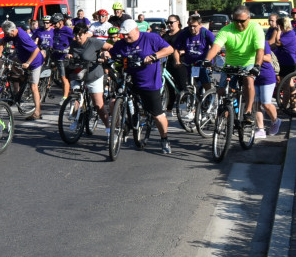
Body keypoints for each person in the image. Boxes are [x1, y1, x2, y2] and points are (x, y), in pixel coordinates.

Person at [109, 19, 175, 154]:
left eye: (128, 34)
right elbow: (112, 53)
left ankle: (164, 139)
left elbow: (169, 49)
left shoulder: (150, 38)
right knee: (113, 103)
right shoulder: (122, 43)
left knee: (157, 115)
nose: (125, 37)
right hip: (129, 80)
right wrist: (106, 55)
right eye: (123, 34)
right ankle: (123, 127)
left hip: (148, 82)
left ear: (136, 30)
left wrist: (154, 56)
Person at [201, 5, 265, 125]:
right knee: (222, 90)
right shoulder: (226, 29)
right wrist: (207, 60)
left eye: (242, 21)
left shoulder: (255, 28)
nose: (239, 24)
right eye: (236, 21)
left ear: (249, 18)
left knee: (249, 80)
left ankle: (248, 111)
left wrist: (257, 66)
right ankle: (225, 117)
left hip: (248, 62)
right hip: (230, 63)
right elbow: (216, 47)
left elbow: (260, 50)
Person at [0, 20, 44, 120]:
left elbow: (36, 49)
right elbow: (3, 41)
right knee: (11, 64)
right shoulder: (12, 33)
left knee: (33, 86)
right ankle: (18, 87)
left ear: (12, 31)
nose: (6, 34)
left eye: (7, 33)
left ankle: (37, 112)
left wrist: (28, 63)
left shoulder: (22, 36)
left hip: (34, 61)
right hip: (22, 57)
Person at [66, 24, 111, 129]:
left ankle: (109, 128)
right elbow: (72, 53)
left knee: (98, 105)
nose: (77, 37)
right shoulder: (73, 43)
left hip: (93, 75)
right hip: (78, 75)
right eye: (75, 35)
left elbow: (109, 47)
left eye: (80, 35)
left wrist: (105, 54)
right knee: (74, 96)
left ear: (86, 34)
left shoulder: (93, 42)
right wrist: (70, 56)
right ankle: (76, 119)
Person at [173, 14, 215, 92]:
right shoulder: (184, 34)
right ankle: (193, 100)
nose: (192, 28)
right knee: (191, 84)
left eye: (194, 26)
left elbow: (215, 47)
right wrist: (177, 61)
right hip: (190, 64)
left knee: (205, 82)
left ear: (200, 25)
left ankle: (209, 98)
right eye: (190, 26)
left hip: (203, 63)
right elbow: (176, 49)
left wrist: (209, 61)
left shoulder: (206, 33)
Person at [254, 40, 281, 138]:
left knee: (266, 103)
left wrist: (252, 56)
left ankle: (275, 121)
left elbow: (268, 58)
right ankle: (260, 129)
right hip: (253, 76)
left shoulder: (262, 42)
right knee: (256, 103)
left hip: (266, 76)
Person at [48, 14, 74, 98]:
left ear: (61, 22)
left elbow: (75, 40)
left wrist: (70, 51)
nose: (54, 25)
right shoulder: (55, 30)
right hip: (55, 55)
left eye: (55, 23)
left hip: (63, 57)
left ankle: (65, 97)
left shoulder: (67, 30)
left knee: (63, 77)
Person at [270, 14, 296, 79]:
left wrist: (278, 31)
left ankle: (287, 90)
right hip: (282, 61)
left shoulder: (290, 33)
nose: (277, 27)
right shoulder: (285, 33)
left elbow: (278, 43)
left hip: (287, 62)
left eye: (278, 26)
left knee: (285, 83)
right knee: (287, 82)